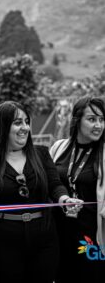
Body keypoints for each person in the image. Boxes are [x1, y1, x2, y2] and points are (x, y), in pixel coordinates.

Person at [0, 101, 82, 283]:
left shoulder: (41, 154)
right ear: (3, 126)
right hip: (4, 241)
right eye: (17, 123)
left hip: (44, 239)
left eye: (26, 122)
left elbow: (55, 185)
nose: (24, 128)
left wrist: (65, 199)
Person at [50, 96, 105, 283]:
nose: (98, 125)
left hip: (92, 237)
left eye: (102, 119)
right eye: (92, 119)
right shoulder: (59, 147)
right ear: (77, 120)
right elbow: (50, 184)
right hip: (59, 233)